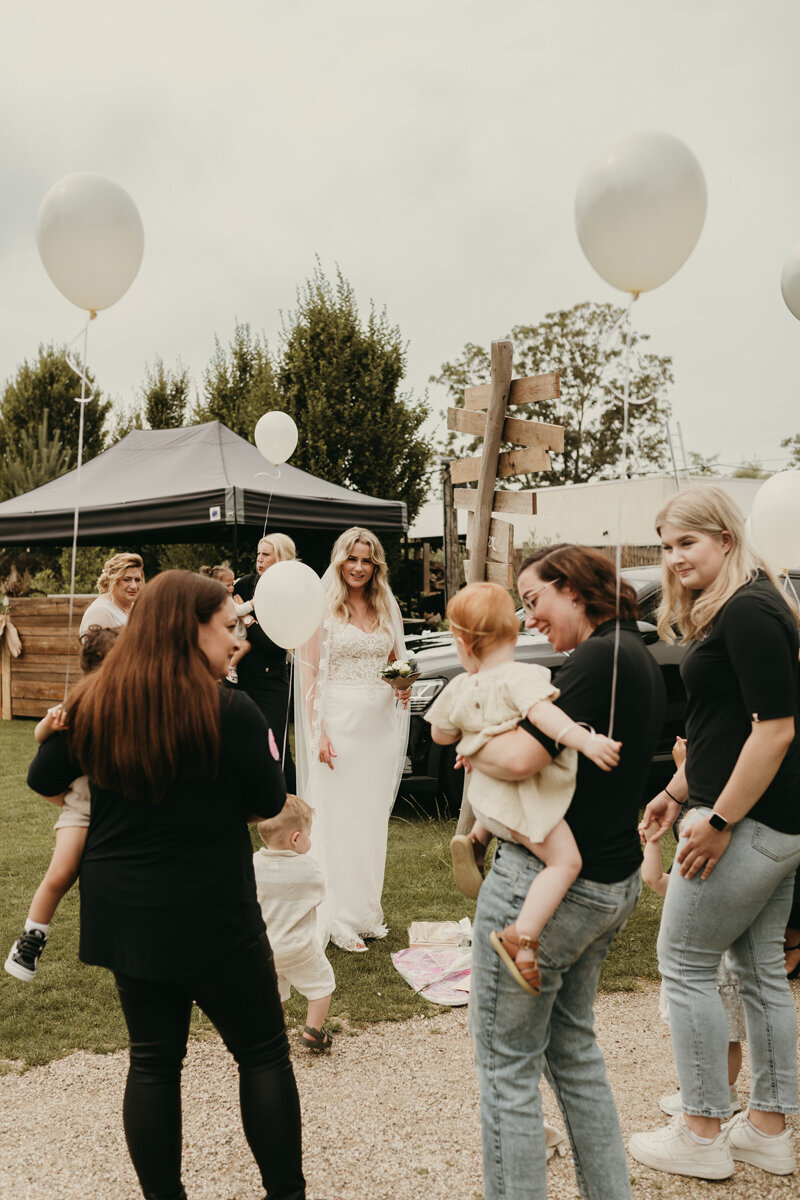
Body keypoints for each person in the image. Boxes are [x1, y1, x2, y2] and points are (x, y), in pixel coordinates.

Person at [26, 571, 305, 1200]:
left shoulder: (98, 698)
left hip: (129, 911)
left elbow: (44, 779)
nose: (237, 636)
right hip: (213, 912)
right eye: (228, 626)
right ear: (190, 627)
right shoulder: (228, 707)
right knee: (262, 1053)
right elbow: (268, 803)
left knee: (153, 1061)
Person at [461, 544, 666, 1200]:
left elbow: (521, 758)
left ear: (574, 589)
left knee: (506, 1068)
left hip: (551, 889)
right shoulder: (635, 653)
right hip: (610, 883)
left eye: (535, 599)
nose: (530, 618)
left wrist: (472, 742)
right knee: (573, 1055)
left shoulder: (596, 658)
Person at [630, 485, 800, 1181]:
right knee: (761, 976)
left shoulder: (751, 610)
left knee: (688, 965)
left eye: (686, 543)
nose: (674, 560)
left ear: (726, 538)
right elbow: (724, 728)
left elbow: (778, 728)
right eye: (666, 548)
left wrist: (720, 820)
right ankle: (766, 1127)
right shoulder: (746, 607)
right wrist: (675, 792)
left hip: (750, 826)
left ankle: (700, 1132)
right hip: (772, 826)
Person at [426, 582, 621, 995]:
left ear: (461, 643)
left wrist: (468, 733)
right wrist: (584, 740)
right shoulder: (524, 676)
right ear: (515, 635)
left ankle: (476, 840)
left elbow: (440, 735)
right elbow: (544, 714)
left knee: (487, 775)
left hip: (487, 803)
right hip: (522, 803)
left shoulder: (459, 687)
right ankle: (522, 937)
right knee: (566, 862)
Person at [295, 527, 410, 953]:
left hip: (378, 729)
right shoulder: (322, 608)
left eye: (367, 560)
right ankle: (336, 916)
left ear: (375, 565)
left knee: (368, 820)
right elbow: (308, 673)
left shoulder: (384, 606)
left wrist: (403, 684)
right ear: (340, 560)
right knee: (336, 819)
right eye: (352, 559)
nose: (359, 567)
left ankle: (363, 912)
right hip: (338, 726)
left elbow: (398, 661)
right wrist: (317, 730)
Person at [4, 626, 119, 982]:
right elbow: (41, 737)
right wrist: (49, 726)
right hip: (81, 807)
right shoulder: (79, 701)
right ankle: (32, 937)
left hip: (115, 807)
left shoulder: (133, 698)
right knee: (62, 872)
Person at [253, 793, 336, 1053]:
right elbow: (319, 897)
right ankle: (313, 1030)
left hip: (265, 949)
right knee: (322, 984)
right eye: (308, 836)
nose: (309, 841)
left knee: (272, 993)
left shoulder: (252, 864)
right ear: (296, 839)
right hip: (299, 948)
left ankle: (273, 1031)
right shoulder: (309, 869)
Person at [234, 535, 297, 791]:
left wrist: (248, 620)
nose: (259, 559)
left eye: (266, 554)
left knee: (277, 747)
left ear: (281, 558)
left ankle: (290, 801)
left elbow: (276, 645)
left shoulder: (291, 593)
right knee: (244, 745)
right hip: (241, 678)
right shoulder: (244, 585)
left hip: (272, 682)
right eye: (258, 554)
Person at [199, 562, 250, 682]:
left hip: (235, 636)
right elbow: (240, 610)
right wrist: (253, 602)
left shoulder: (224, 598)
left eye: (233, 584)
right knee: (244, 647)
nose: (232, 588)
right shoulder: (224, 601)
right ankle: (231, 667)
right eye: (228, 585)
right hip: (235, 637)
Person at [79, 552, 144, 637]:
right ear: (112, 581)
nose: (134, 586)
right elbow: (94, 649)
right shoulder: (100, 612)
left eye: (137, 580)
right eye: (127, 580)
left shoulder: (136, 607)